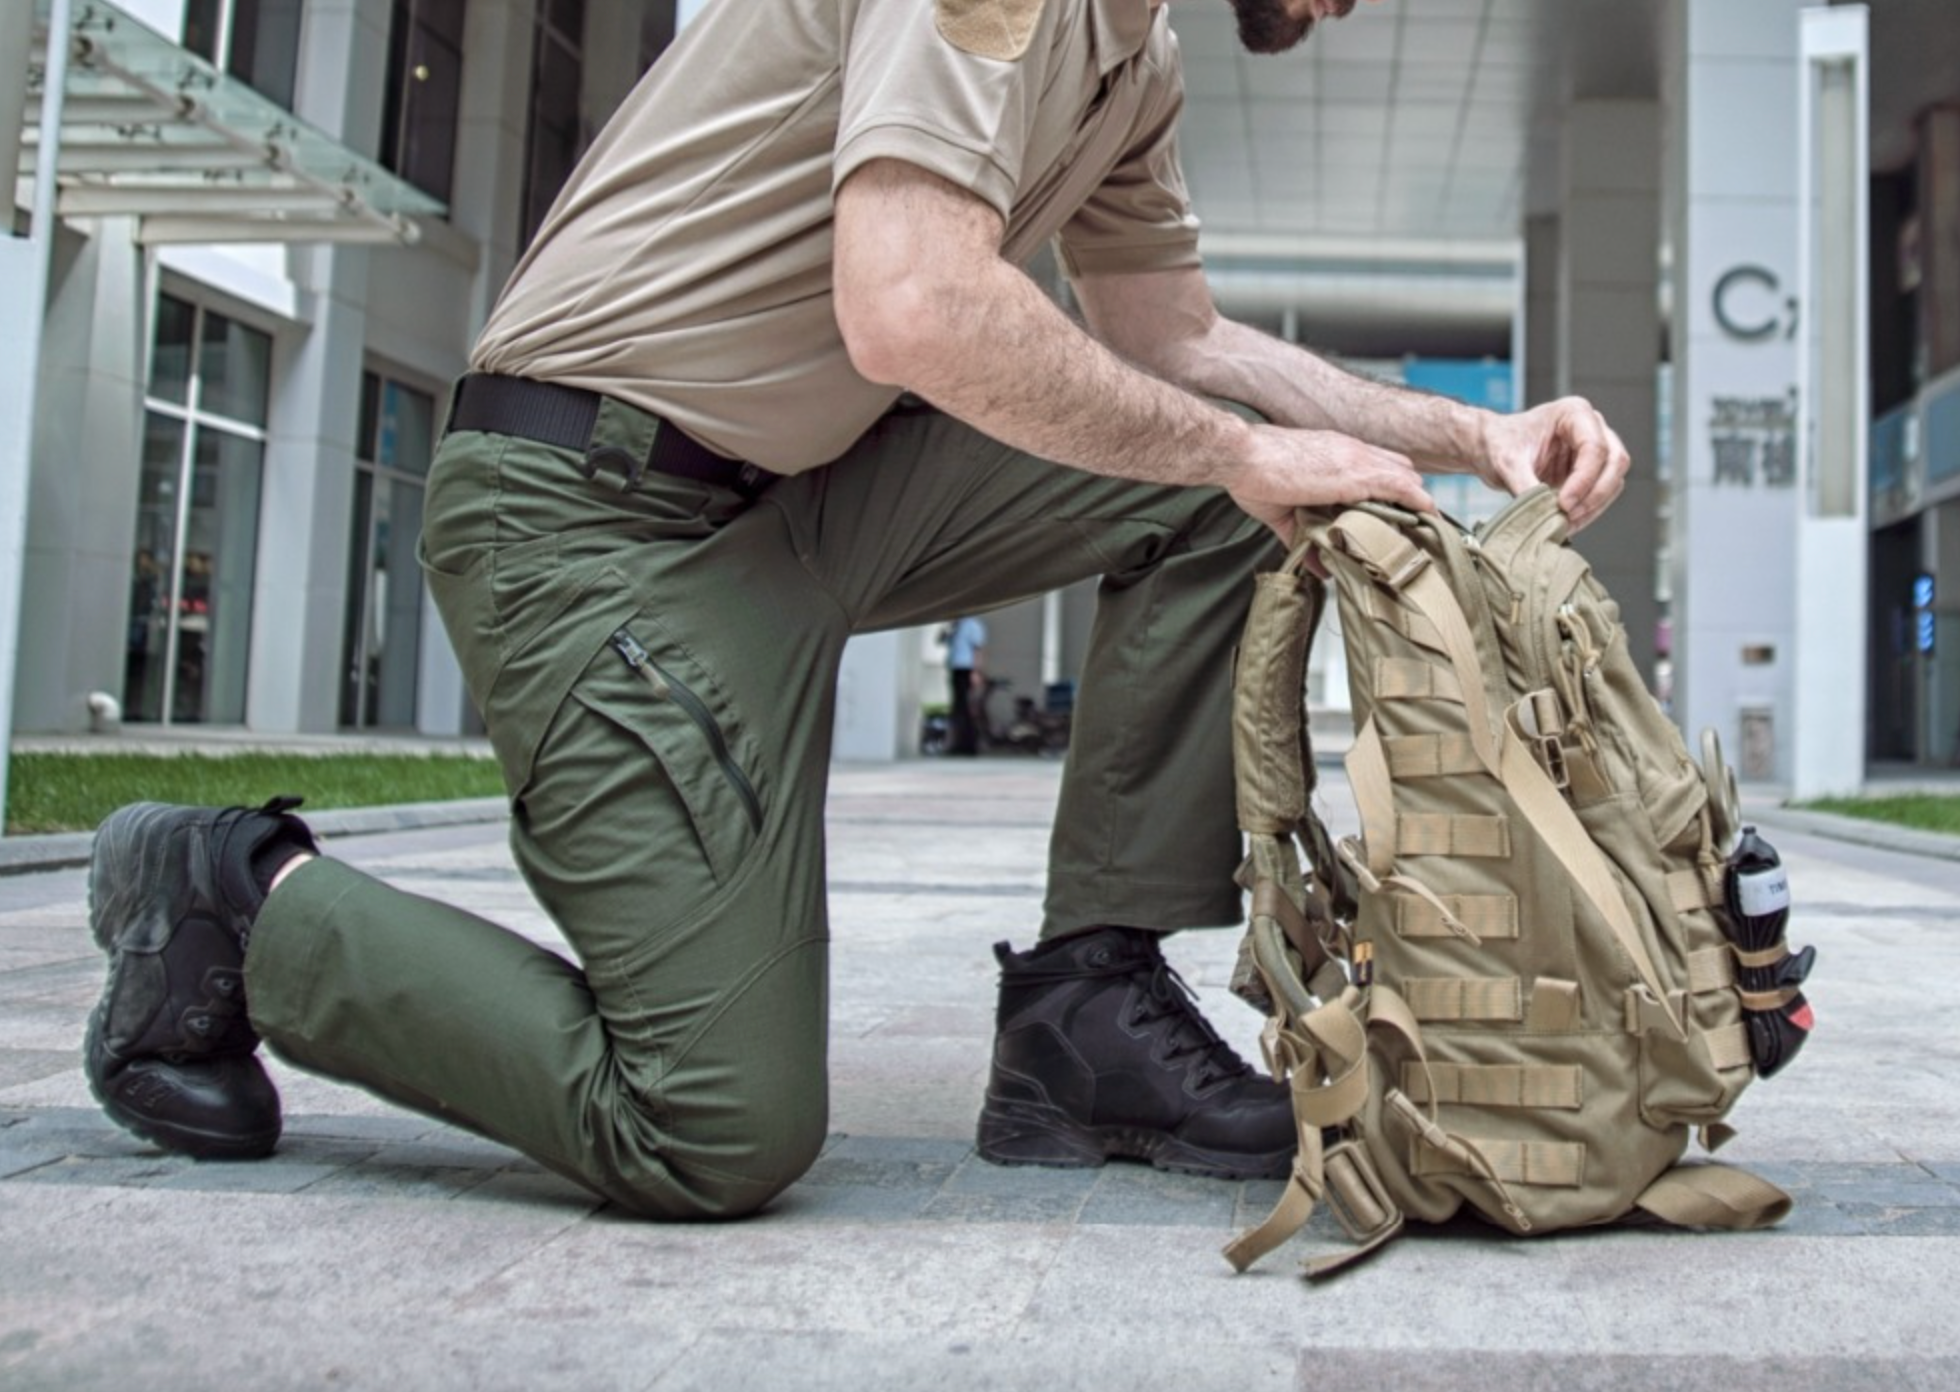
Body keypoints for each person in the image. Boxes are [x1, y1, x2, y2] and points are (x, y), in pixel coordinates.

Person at [82, 0, 1629, 1215]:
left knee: (1245, 486)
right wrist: (1242, 449)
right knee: (711, 1130)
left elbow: (1179, 337)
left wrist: (1463, 436)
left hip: (797, 499)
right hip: (592, 511)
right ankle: (231, 902)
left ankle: (1085, 1016)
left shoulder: (1129, 52)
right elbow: (913, 304)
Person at [944, 617, 989, 756]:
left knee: (966, 708)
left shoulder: (972, 625)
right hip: (956, 668)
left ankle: (969, 745)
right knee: (958, 708)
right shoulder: (955, 626)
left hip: (966, 669)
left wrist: (976, 671)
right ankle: (958, 743)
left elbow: (978, 650)